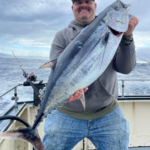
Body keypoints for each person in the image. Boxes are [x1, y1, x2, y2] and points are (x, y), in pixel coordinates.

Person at [43, 0, 139, 149]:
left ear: (95, 6)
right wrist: (66, 94)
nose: (83, 5)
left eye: (87, 1)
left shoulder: (114, 34)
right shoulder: (62, 36)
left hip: (108, 113)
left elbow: (125, 68)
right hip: (66, 113)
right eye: (78, 2)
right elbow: (57, 73)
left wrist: (127, 37)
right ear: (72, 8)